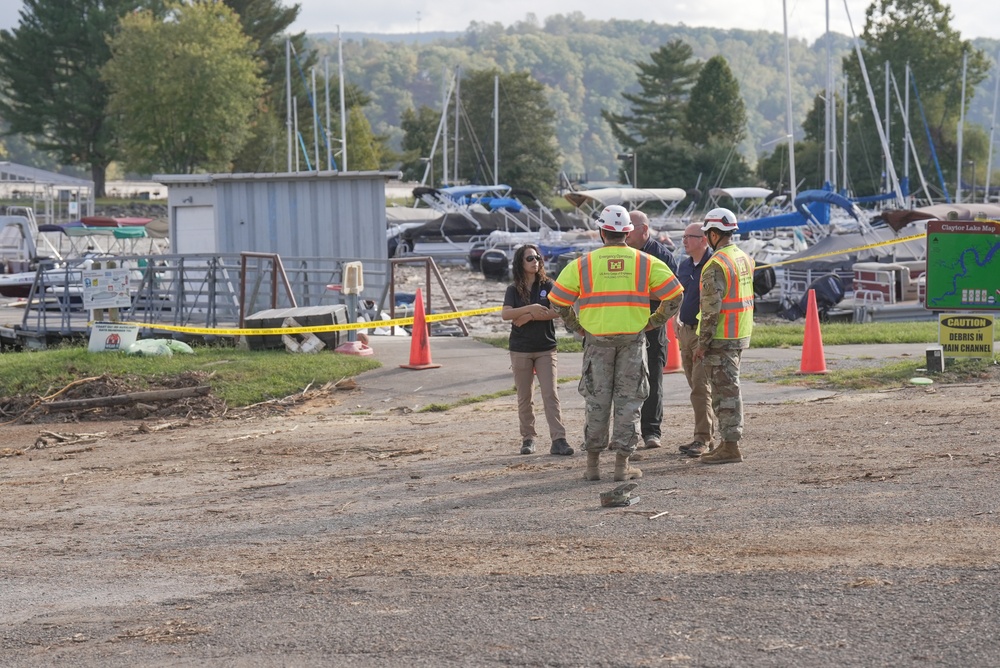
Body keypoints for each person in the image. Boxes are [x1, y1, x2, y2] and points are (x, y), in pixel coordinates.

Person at [549, 205, 683, 482]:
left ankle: (592, 466)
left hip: (596, 342)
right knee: (629, 403)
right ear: (627, 232)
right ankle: (622, 466)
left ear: (601, 232)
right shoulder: (646, 262)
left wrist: (576, 326)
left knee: (596, 402)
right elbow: (675, 296)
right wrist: (654, 321)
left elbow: (558, 301)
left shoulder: (583, 264)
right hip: (632, 342)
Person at [692, 208, 754, 465]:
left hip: (721, 337)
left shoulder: (716, 264)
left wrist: (702, 343)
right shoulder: (744, 257)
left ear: (715, 234)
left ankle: (730, 446)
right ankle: (727, 442)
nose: (707, 238)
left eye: (708, 234)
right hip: (739, 333)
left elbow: (711, 309)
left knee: (724, 393)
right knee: (728, 389)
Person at [501, 244, 573, 456]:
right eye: (530, 258)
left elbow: (557, 311)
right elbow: (506, 315)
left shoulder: (548, 284)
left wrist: (529, 317)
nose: (535, 262)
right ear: (520, 263)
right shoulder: (513, 289)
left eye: (538, 258)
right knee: (525, 396)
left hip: (545, 347)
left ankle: (559, 439)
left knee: (551, 393)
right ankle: (528, 438)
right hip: (521, 349)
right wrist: (529, 308)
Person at [625, 210, 678, 452]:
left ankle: (651, 432)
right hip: (625, 325)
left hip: (653, 325)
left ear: (644, 229)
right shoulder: (622, 254)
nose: (625, 231)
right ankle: (625, 432)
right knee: (625, 379)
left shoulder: (662, 256)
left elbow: (672, 294)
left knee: (653, 378)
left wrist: (636, 292)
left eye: (630, 227)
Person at [675, 222, 717, 457]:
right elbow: (680, 294)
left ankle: (702, 438)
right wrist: (675, 318)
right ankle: (707, 434)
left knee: (700, 387)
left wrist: (705, 337)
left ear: (703, 240)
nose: (684, 241)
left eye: (689, 236)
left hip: (703, 332)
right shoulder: (684, 265)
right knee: (694, 385)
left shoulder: (713, 265)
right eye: (683, 236)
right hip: (686, 331)